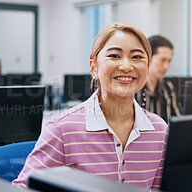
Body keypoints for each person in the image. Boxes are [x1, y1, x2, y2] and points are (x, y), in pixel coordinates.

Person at [12, 22, 168, 190]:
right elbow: (23, 188)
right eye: (114, 56)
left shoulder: (159, 130)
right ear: (93, 67)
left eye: (137, 57)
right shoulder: (62, 129)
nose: (126, 66)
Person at [136, 35, 181, 122]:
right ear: (148, 58)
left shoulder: (167, 87)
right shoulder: (133, 88)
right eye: (162, 60)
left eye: (169, 61)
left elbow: (178, 121)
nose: (166, 66)